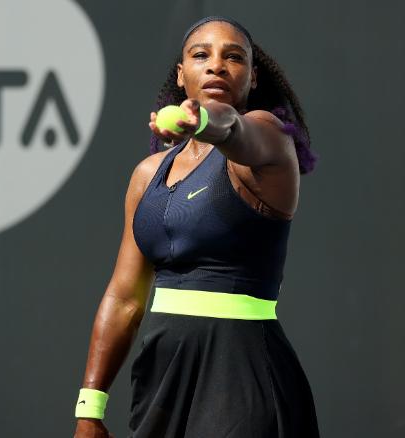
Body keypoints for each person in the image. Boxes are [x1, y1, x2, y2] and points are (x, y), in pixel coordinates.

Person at [73, 15, 321, 438]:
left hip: (243, 377)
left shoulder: (269, 141)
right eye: (201, 55)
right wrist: (90, 408)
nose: (217, 66)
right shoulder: (148, 174)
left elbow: (233, 126)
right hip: (161, 381)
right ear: (181, 74)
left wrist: (204, 121)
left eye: (234, 57)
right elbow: (124, 298)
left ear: (252, 76)